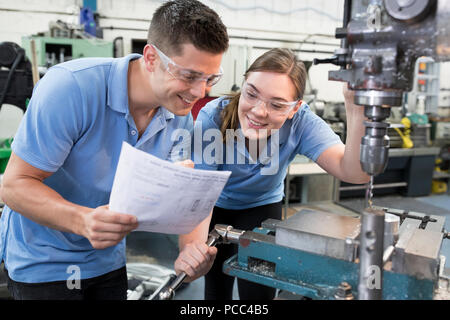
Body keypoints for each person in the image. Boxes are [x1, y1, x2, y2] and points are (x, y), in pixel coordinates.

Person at [0, 0, 228, 300]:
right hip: (45, 261)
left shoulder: (179, 117)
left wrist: (191, 248)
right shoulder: (71, 88)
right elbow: (14, 187)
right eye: (188, 75)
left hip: (107, 260)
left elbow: (188, 193)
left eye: (210, 79)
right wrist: (82, 220)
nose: (200, 92)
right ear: (150, 58)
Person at [186, 48, 369, 300]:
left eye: (277, 104)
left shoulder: (302, 123)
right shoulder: (213, 117)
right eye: (251, 94)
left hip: (262, 207)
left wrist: (356, 106)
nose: (259, 111)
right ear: (244, 85)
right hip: (215, 205)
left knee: (259, 291)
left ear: (295, 108)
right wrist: (192, 250)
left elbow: (355, 172)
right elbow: (200, 190)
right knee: (216, 285)